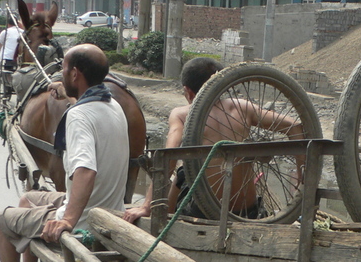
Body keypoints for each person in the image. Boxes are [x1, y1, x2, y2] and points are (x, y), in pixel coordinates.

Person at [0, 44, 130, 262]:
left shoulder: (78, 117)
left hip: (86, 218)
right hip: (109, 206)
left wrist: (68, 220)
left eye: (63, 69)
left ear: (75, 74)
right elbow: (88, 114)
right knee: (28, 199)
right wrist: (69, 96)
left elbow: (85, 170)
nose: (61, 74)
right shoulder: (113, 106)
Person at [123, 57, 304, 223]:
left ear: (188, 92)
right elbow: (295, 126)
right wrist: (300, 182)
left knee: (180, 174)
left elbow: (167, 159)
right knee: (185, 174)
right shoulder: (243, 107)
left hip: (203, 213)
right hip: (248, 212)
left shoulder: (181, 114)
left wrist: (146, 206)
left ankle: (162, 232)